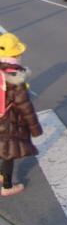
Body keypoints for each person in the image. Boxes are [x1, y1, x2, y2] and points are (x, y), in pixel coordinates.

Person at [0, 33, 43, 196]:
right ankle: (7, 186)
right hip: (8, 120)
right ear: (15, 54)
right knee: (8, 152)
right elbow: (25, 107)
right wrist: (35, 128)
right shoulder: (15, 77)